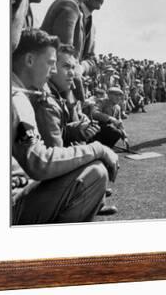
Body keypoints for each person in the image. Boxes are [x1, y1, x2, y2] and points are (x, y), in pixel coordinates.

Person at [11, 29, 119, 224]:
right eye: (51, 63)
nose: (53, 71)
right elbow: (39, 162)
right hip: (11, 206)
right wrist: (97, 149)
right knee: (96, 174)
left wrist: (76, 131)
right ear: (29, 60)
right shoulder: (17, 99)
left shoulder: (19, 91)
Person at [41, 0, 95, 100]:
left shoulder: (70, 5)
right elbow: (66, 61)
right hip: (55, 90)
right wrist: (81, 102)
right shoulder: (69, 7)